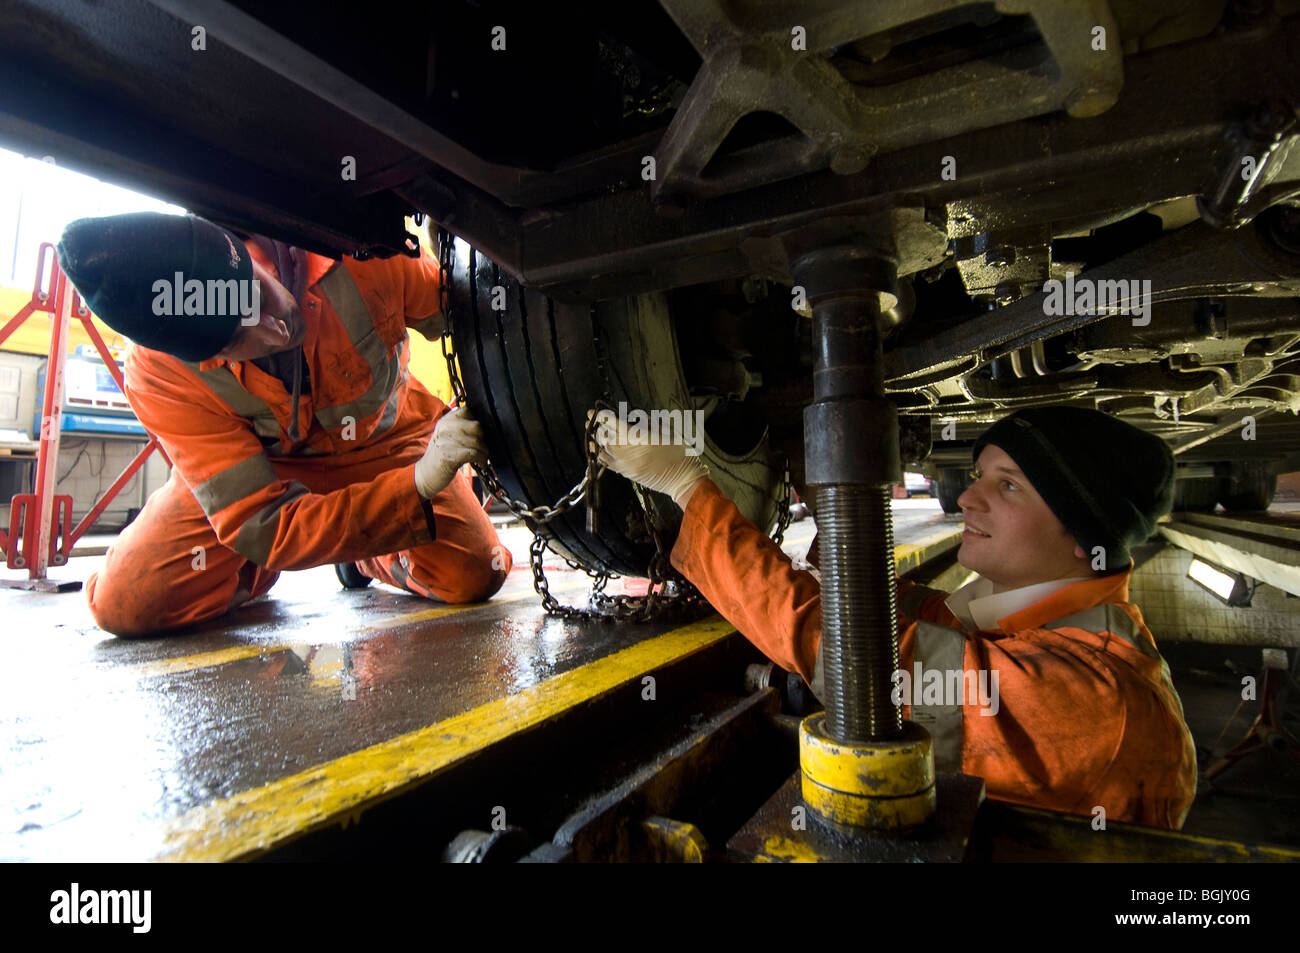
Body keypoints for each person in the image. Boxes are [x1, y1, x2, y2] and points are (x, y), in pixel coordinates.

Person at [593, 404, 1197, 829]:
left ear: (1081, 536)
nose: (967, 496)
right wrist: (842, 571)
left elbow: (864, 664)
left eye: (1008, 486)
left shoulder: (1090, 697)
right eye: (980, 475)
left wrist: (684, 484)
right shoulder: (1063, 618)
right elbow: (923, 617)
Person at [57, 212, 512, 636]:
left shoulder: (359, 246)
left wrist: (463, 262)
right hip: (265, 477)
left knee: (476, 572)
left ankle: (371, 555)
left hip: (387, 445)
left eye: (256, 295)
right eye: (237, 336)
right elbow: (261, 521)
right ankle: (252, 569)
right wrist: (418, 485)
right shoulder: (159, 373)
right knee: (125, 606)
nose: (275, 329)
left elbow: (462, 312)